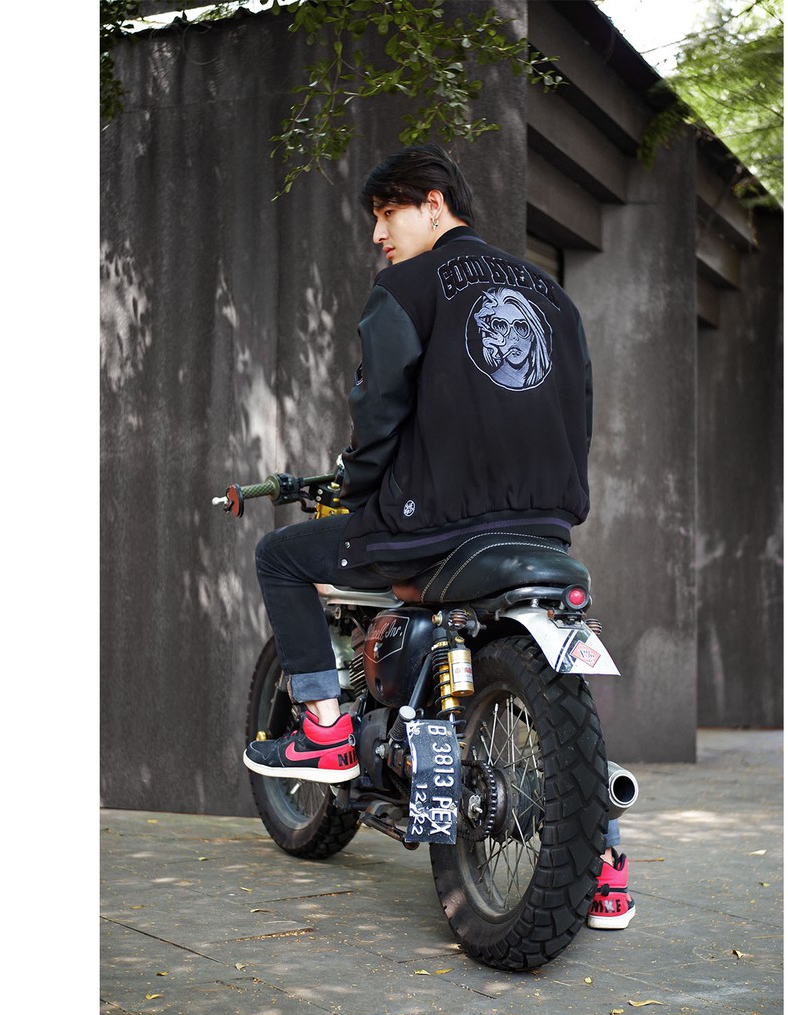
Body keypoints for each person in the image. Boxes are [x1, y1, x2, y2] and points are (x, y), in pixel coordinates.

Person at [242, 144, 634, 930]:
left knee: (280, 555)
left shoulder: (408, 287)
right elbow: (578, 412)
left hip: (435, 527)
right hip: (544, 526)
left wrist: (357, 482)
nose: (378, 235)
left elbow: (379, 410)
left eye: (386, 214)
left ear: (432, 203)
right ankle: (606, 865)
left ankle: (324, 731)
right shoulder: (554, 299)